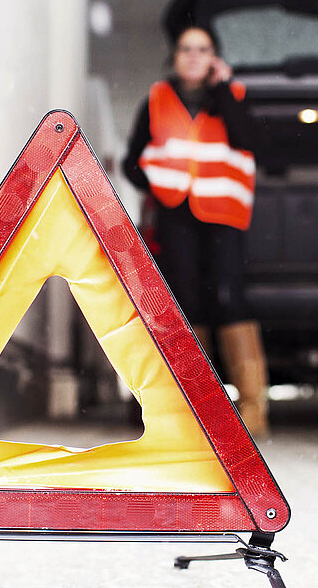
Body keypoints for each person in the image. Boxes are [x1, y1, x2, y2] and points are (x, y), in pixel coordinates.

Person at [121, 25, 270, 436]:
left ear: (214, 59)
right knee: (185, 303)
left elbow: (247, 139)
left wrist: (223, 88)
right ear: (174, 56)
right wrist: (157, 187)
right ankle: (194, 412)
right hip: (176, 215)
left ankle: (254, 411)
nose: (192, 56)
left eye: (202, 50)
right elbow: (133, 160)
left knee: (229, 300)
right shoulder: (156, 99)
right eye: (186, 49)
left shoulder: (232, 97)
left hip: (222, 214)